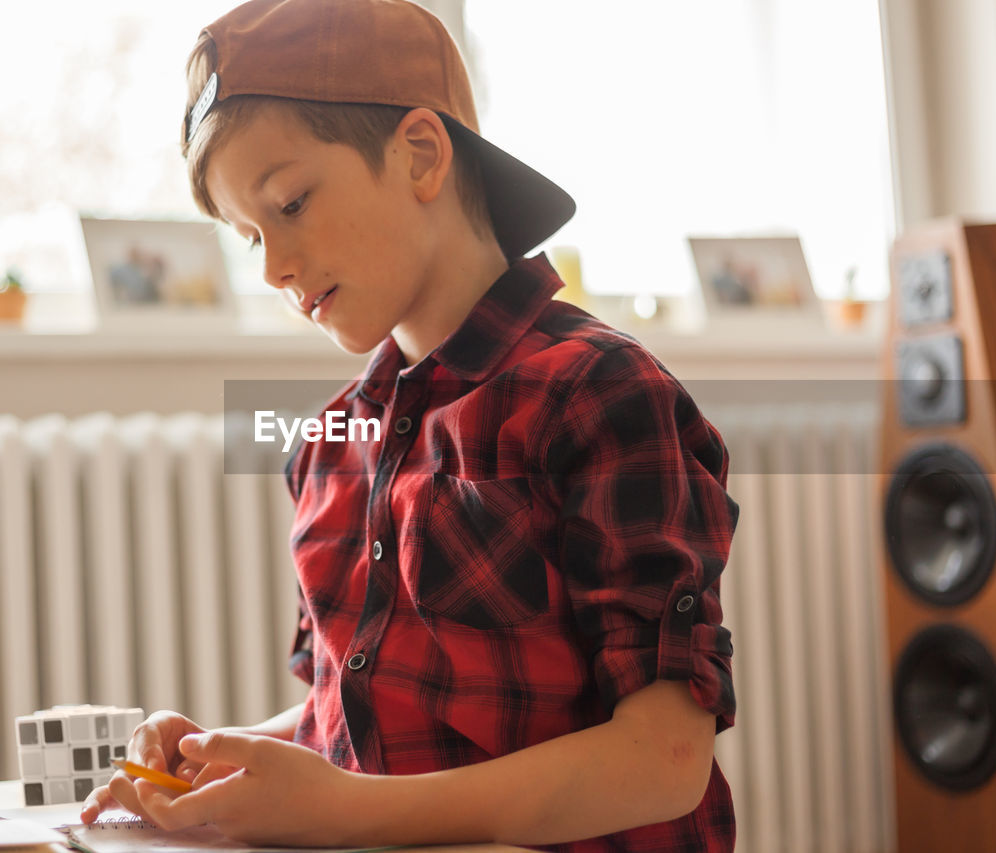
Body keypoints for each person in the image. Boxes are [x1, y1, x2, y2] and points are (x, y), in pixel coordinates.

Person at [82, 1, 739, 849]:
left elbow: (663, 760)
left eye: (290, 202)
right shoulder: (329, 443)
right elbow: (360, 725)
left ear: (421, 155)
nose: (276, 268)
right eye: (252, 238)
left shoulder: (598, 392)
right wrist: (218, 760)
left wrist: (339, 810)